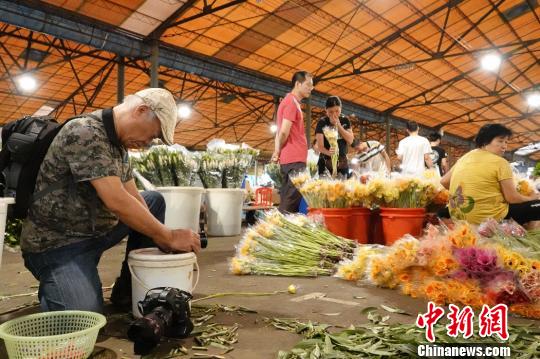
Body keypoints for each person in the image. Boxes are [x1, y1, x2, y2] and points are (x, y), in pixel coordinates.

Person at [20, 88, 201, 313]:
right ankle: (57, 281)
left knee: (153, 201)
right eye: (152, 135)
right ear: (141, 111)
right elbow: (116, 200)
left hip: (94, 232)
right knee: (83, 317)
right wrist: (168, 235)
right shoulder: (85, 132)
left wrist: (162, 235)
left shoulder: (118, 145)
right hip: (59, 243)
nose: (148, 143)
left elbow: (133, 197)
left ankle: (128, 289)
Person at [441, 124, 540, 227]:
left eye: (506, 142)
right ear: (485, 140)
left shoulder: (465, 157)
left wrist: (466, 194)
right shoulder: (500, 162)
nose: (504, 146)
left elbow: (444, 181)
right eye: (500, 141)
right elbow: (512, 198)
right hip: (487, 219)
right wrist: (531, 198)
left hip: (458, 216)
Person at [271, 71, 314, 213]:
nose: (311, 88)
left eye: (312, 86)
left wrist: (277, 151)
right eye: (308, 85)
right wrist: (277, 151)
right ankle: (277, 231)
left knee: (290, 201)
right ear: (297, 84)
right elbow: (283, 131)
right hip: (294, 160)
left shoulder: (291, 102)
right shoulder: (291, 102)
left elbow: (279, 133)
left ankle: (280, 230)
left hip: (290, 159)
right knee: (289, 204)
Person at [315, 96, 354, 178]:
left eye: (337, 111)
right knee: (325, 189)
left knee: (341, 189)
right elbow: (320, 146)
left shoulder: (345, 120)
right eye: (331, 112)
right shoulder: (322, 122)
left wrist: (339, 126)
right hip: (325, 162)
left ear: (341, 108)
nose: (334, 114)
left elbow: (351, 140)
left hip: (342, 162)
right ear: (326, 110)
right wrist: (329, 153)